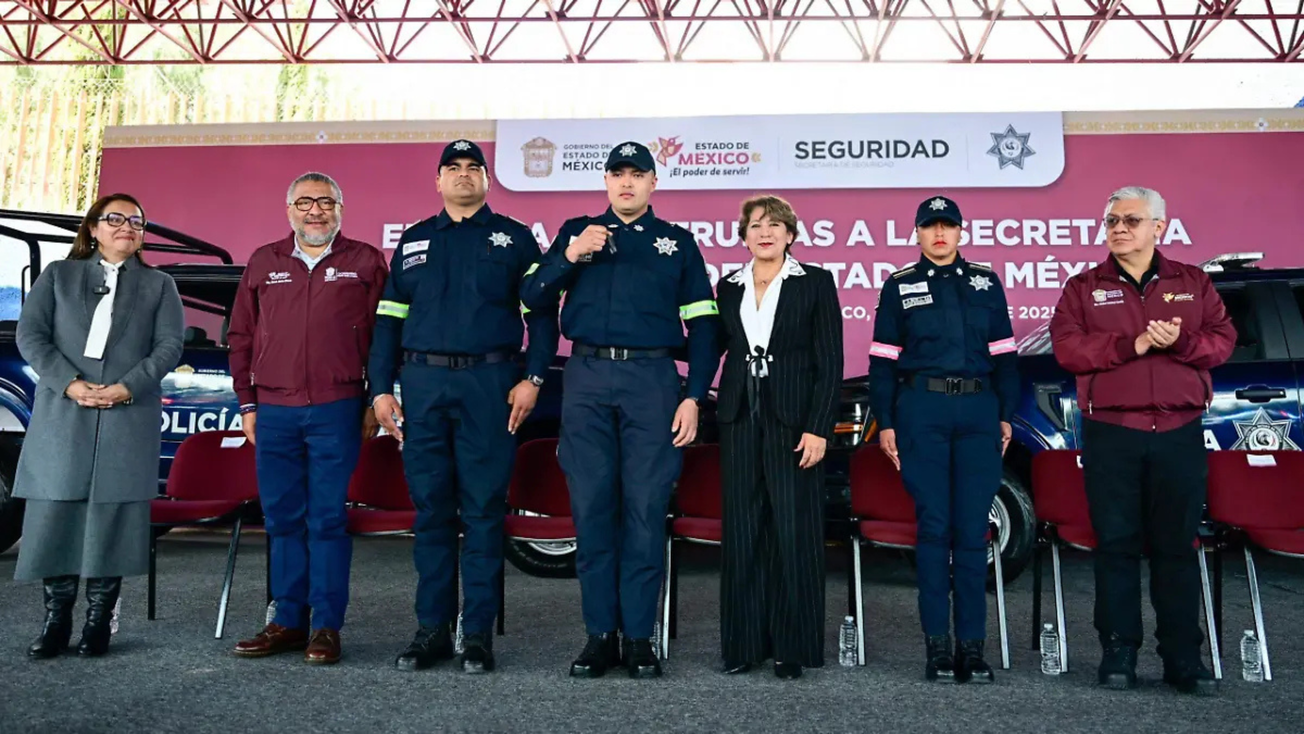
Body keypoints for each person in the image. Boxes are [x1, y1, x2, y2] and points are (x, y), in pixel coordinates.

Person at [521, 141, 720, 679]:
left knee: (644, 511)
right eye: (618, 174)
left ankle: (638, 638)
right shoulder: (576, 231)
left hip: (653, 382)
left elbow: (704, 326)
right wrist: (570, 254)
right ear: (605, 182)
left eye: (638, 174)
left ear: (655, 183)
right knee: (590, 510)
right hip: (585, 379)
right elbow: (532, 296)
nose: (627, 183)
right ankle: (598, 636)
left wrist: (693, 397)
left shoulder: (675, 244)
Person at [369, 139, 558, 675]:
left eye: (473, 167)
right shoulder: (414, 241)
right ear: (438, 181)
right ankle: (430, 629)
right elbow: (388, 321)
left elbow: (542, 318)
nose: (463, 175)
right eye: (452, 168)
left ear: (485, 179)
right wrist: (381, 388)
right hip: (423, 385)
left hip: (490, 384)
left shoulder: (515, 239)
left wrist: (534, 380)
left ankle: (475, 634)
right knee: (431, 512)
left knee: (482, 512)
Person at [1049, 186, 1234, 695]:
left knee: (1176, 546)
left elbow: (1223, 341)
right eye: (1111, 220)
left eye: (1131, 219)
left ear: (1160, 227)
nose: (1118, 228)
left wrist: (1183, 342)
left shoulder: (1193, 282)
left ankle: (1182, 657)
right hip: (1113, 432)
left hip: (1178, 433)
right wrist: (1132, 344)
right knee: (1116, 546)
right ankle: (1119, 651)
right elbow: (1067, 349)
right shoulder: (1083, 287)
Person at [14, 193, 184, 658]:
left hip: (128, 413)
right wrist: (69, 384)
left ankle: (97, 622)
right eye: (115, 218)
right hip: (63, 411)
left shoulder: (159, 284)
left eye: (136, 220)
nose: (126, 226)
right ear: (92, 228)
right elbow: (30, 335)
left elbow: (169, 346)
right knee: (57, 514)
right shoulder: (59, 276)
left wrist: (127, 386)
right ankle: (55, 621)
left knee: (114, 517)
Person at [228, 172, 388, 665]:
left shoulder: (364, 260)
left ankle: (326, 625)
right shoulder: (263, 261)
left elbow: (384, 338)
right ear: (289, 209)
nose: (315, 210)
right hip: (274, 410)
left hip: (337, 408)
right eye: (304, 202)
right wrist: (248, 402)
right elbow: (241, 336)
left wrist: (374, 399)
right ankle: (287, 620)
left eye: (325, 202)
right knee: (280, 519)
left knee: (326, 519)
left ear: (341, 208)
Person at [867, 195, 1019, 684]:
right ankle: (937, 648)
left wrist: (1004, 414)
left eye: (947, 226)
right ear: (916, 233)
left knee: (972, 531)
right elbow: (883, 362)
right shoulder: (899, 286)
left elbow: (1006, 357)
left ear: (960, 232)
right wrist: (886, 421)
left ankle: (972, 651)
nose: (939, 234)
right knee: (933, 529)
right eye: (930, 226)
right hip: (922, 412)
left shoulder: (986, 282)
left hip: (978, 412)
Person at [714, 195, 842, 680]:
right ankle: (743, 644)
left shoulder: (815, 283)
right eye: (755, 225)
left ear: (791, 234)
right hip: (740, 418)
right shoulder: (727, 286)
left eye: (775, 225)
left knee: (795, 534)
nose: (764, 232)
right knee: (743, 534)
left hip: (795, 424)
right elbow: (716, 346)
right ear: (743, 235)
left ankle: (792, 647)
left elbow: (830, 363)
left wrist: (819, 427)